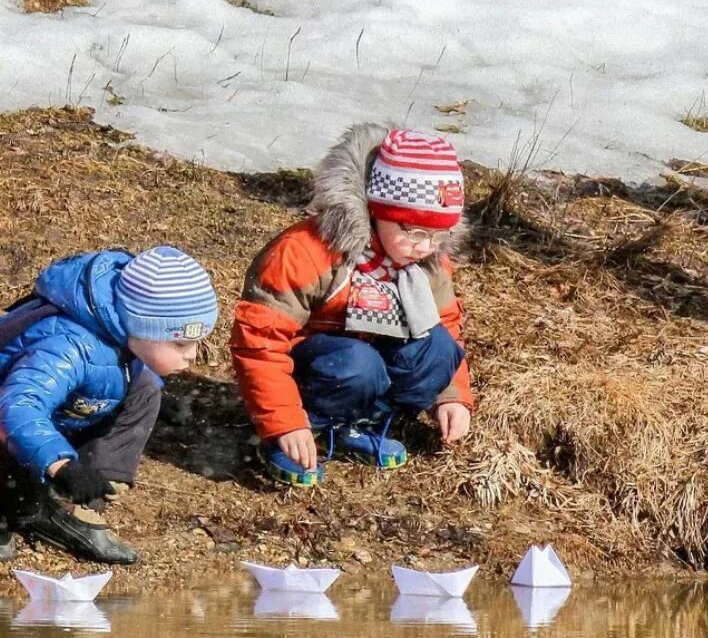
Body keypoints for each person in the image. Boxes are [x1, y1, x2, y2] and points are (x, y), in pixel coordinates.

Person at [231, 126, 473, 487]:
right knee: (357, 364)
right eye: (414, 232)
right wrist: (285, 422)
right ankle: (302, 431)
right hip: (316, 368)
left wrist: (450, 397)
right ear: (378, 209)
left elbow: (446, 324)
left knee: (437, 348)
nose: (425, 247)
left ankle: (358, 424)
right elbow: (261, 340)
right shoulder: (306, 252)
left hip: (369, 367)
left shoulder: (426, 261)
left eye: (438, 235)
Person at [0, 246, 218, 564]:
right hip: (10, 414)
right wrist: (63, 467)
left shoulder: (124, 334)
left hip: (61, 413)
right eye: (181, 344)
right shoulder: (71, 347)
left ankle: (79, 503)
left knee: (145, 389)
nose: (191, 355)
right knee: (14, 466)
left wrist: (155, 398)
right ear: (141, 327)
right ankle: (20, 505)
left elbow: (129, 367)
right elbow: (18, 407)